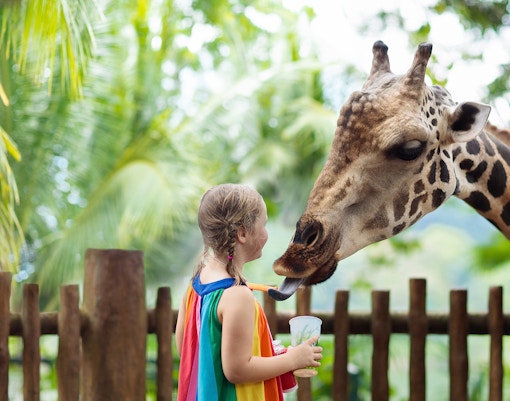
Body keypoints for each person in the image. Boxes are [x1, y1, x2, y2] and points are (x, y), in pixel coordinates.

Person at [175, 183, 323, 401]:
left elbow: (186, 347)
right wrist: (293, 359)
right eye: (263, 225)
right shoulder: (237, 295)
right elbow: (238, 370)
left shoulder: (197, 282)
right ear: (243, 234)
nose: (266, 232)